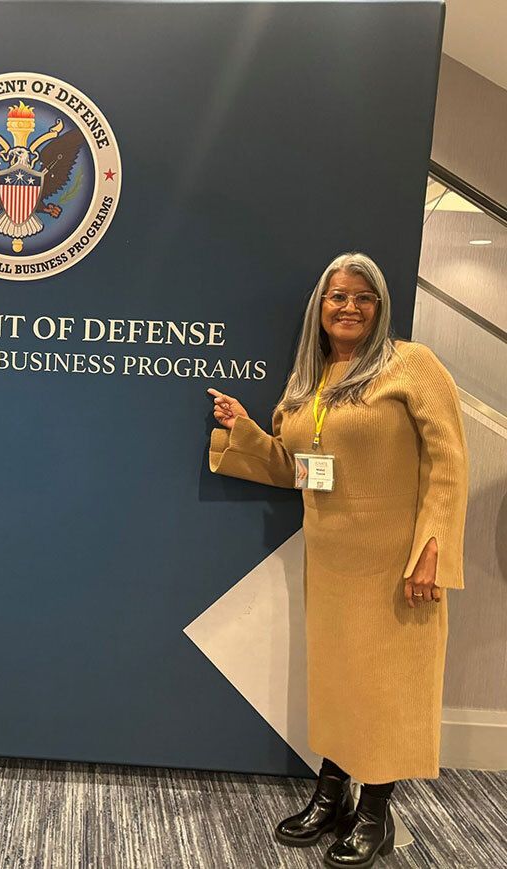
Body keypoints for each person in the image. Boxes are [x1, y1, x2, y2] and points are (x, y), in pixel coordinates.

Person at [207, 252, 467, 869]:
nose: (348, 307)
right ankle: (333, 793)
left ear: (380, 308)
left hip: (396, 561)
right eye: (337, 297)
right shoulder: (310, 381)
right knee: (340, 682)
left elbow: (449, 463)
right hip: (330, 560)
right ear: (319, 309)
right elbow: (298, 471)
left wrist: (431, 550)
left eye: (363, 297)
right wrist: (244, 430)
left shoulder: (413, 366)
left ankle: (375, 810)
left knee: (388, 686)